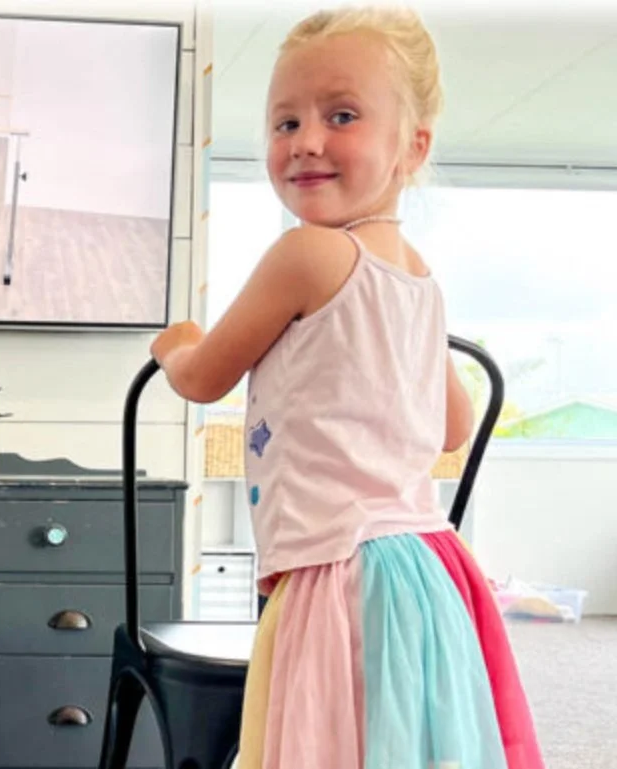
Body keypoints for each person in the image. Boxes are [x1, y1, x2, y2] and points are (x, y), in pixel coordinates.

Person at [150, 8, 544, 768]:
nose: (305, 141)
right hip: (424, 570)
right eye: (284, 120)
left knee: (323, 744)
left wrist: (176, 343)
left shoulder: (306, 253)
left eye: (341, 115)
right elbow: (452, 425)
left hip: (336, 572)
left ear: (412, 144)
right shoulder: (419, 279)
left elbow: (202, 379)